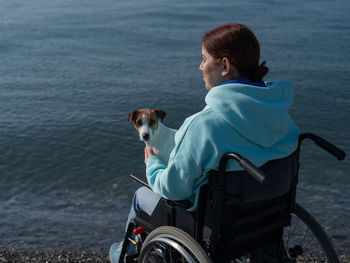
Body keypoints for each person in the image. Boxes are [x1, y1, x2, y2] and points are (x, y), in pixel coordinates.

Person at [109, 23, 300, 262]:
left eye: (204, 59)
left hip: (216, 226)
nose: (199, 67)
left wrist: (153, 164)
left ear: (225, 66)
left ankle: (123, 255)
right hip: (268, 219)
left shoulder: (203, 124)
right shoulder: (281, 114)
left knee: (140, 195)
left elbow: (172, 188)